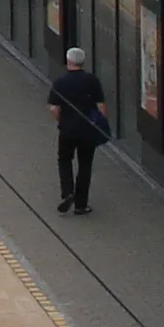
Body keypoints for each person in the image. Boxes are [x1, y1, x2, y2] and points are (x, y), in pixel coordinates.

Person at [48, 45, 109, 215]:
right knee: (85, 164)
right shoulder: (92, 80)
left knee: (64, 159)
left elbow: (54, 108)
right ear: (83, 62)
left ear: (68, 61)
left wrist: (62, 121)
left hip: (68, 129)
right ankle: (81, 204)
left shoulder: (60, 82)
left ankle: (68, 193)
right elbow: (101, 106)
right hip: (88, 129)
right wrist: (101, 125)